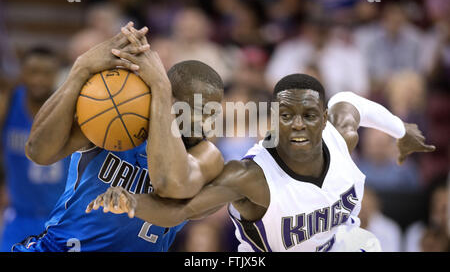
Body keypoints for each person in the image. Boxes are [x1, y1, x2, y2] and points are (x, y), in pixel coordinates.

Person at [88, 74, 435, 252]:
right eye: (287, 115)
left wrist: (400, 130)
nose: (298, 124)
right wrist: (133, 203)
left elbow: (350, 100)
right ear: (273, 119)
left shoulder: (341, 137)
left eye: (309, 115)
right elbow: (181, 211)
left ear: (324, 118)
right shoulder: (248, 176)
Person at [12, 22, 224, 252]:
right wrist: (81, 69)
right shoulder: (119, 118)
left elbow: (170, 184)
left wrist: (161, 85)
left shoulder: (207, 156)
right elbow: (37, 151)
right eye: (194, 107)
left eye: (210, 111)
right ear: (170, 102)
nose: (203, 120)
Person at [0, 47, 70, 252]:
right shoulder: (9, 103)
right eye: (33, 72)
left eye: (46, 73)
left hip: (61, 219)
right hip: (20, 216)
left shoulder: (69, 107)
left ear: (57, 74)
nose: (39, 79)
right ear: (22, 72)